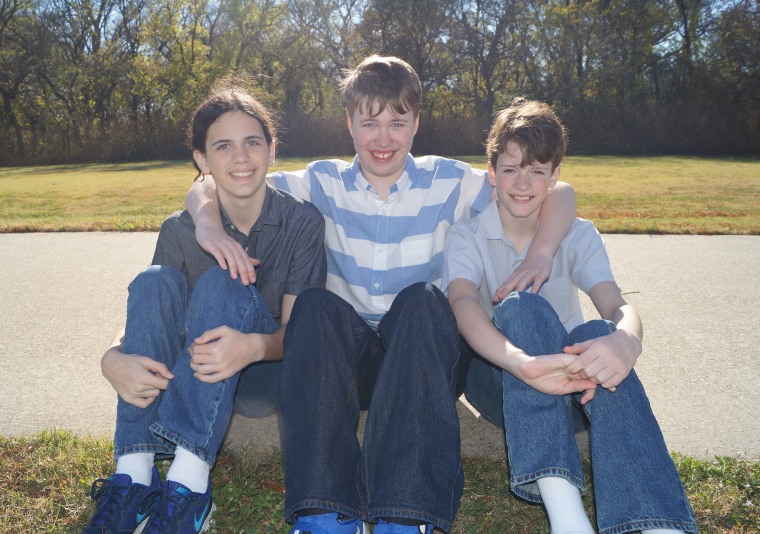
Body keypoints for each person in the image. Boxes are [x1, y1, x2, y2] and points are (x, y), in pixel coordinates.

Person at [185, 56, 582, 533]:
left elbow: (558, 190)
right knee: (313, 304)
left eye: (398, 122)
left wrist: (541, 253)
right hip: (347, 362)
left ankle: (405, 514)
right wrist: (207, 222)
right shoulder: (320, 182)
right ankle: (323, 513)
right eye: (370, 123)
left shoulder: (451, 181)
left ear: (416, 123)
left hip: (423, 354)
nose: (383, 138)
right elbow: (222, 180)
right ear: (349, 124)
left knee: (422, 298)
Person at [443, 98, 698, 534]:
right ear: (491, 174)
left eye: (537, 171)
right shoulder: (468, 234)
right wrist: (522, 363)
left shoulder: (576, 233)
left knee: (600, 331)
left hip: (575, 389)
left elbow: (618, 307)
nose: (522, 183)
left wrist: (625, 341)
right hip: (503, 379)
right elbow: (463, 303)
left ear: (555, 177)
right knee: (520, 305)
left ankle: (656, 524)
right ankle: (566, 515)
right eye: (510, 169)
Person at [83, 79, 326, 533]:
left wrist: (252, 347)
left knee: (220, 284)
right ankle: (134, 475)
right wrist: (111, 356)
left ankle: (191, 485)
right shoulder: (179, 229)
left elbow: (297, 333)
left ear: (272, 151)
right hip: (189, 368)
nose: (240, 158)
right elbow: (151, 314)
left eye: (253, 142)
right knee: (154, 280)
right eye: (223, 146)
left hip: (261, 371)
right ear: (202, 160)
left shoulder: (302, 223)